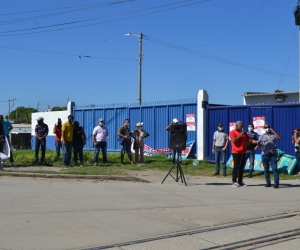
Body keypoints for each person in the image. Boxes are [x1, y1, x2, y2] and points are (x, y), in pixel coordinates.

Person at [229, 121, 257, 187]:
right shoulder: (233, 132)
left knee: (241, 167)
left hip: (243, 152)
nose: (242, 127)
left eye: (242, 126)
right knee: (236, 166)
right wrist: (240, 135)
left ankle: (240, 181)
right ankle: (234, 181)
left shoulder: (244, 133)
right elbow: (233, 140)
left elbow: (250, 140)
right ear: (237, 126)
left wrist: (257, 142)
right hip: (236, 152)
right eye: (241, 126)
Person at [258, 123, 281, 188]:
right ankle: (268, 182)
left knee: (274, 169)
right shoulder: (261, 136)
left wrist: (273, 131)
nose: (266, 128)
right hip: (264, 154)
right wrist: (259, 144)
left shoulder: (273, 135)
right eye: (265, 127)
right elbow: (259, 145)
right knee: (266, 169)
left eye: (267, 127)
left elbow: (279, 138)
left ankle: (276, 183)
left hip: (272, 154)